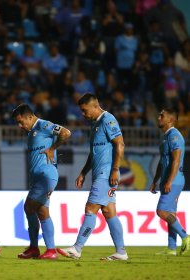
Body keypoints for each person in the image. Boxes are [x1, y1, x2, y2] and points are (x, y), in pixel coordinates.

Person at [57, 93, 128, 261]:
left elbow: (120, 144)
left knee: (90, 209)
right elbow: (93, 153)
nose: (83, 114)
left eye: (84, 110)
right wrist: (83, 172)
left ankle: (77, 248)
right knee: (109, 211)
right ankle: (121, 252)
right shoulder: (95, 125)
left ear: (95, 106)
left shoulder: (108, 120)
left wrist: (116, 169)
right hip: (100, 173)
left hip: (106, 174)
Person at [12, 104, 71, 259]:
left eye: (21, 121)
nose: (20, 126)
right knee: (42, 212)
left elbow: (66, 132)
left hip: (46, 175)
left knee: (29, 207)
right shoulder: (32, 132)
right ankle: (49, 251)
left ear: (30, 117)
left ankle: (34, 248)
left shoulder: (44, 125)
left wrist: (53, 149)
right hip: (38, 177)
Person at [150, 108, 190, 256]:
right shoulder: (165, 137)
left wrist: (169, 181)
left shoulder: (174, 136)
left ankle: (185, 236)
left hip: (174, 180)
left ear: (170, 120)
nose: (159, 117)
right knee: (171, 213)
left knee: (161, 211)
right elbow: (162, 162)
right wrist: (155, 180)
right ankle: (172, 248)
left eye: (162, 115)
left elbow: (176, 160)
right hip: (168, 180)